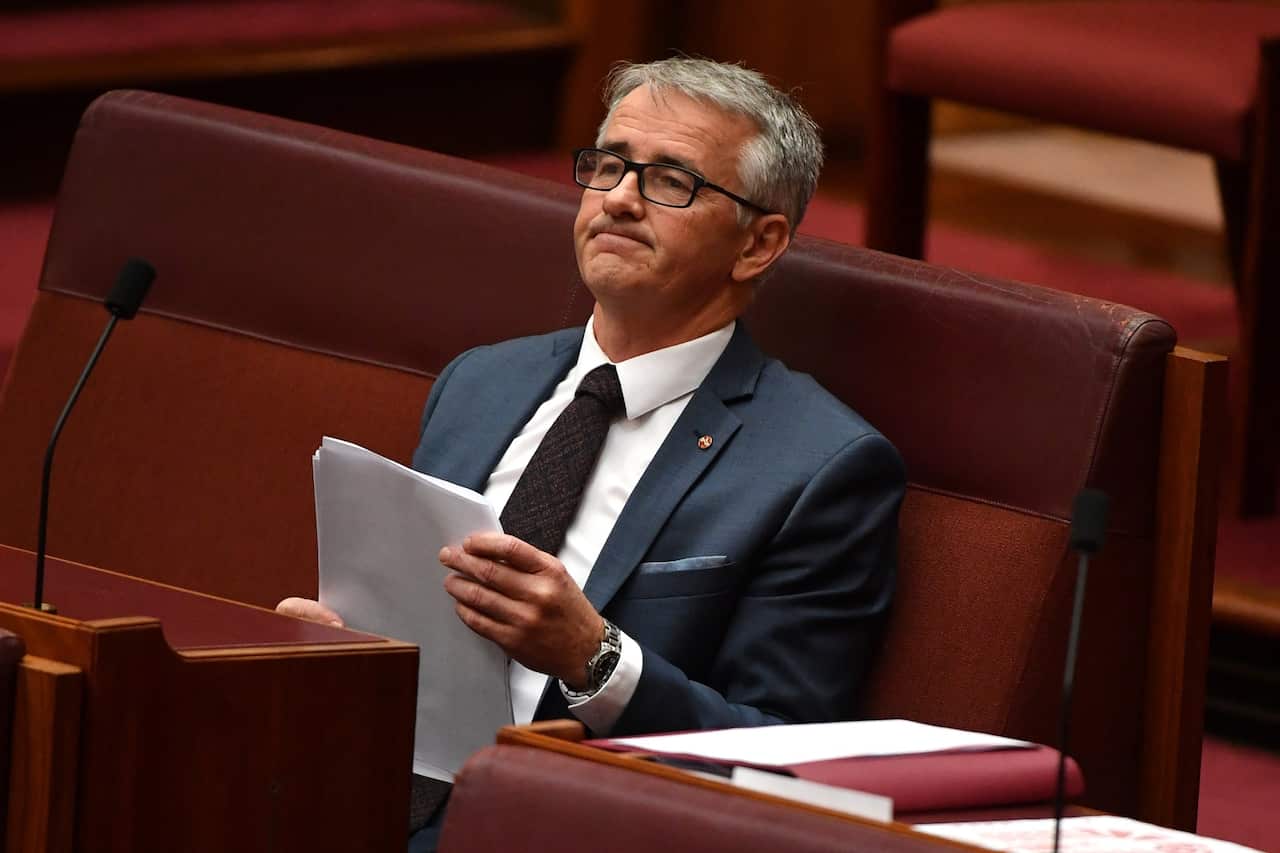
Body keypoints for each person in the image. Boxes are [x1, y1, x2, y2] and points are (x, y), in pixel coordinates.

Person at [279, 57, 905, 848]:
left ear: (759, 243)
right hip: (355, 792)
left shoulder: (820, 467)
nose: (616, 198)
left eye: (670, 179)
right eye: (608, 165)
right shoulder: (482, 381)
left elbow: (782, 767)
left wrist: (597, 658)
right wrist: (337, 650)